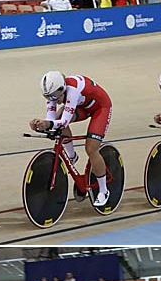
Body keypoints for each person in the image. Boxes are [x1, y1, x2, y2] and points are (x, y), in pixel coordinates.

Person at [30, 72, 113, 207]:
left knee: (91, 149)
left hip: (100, 108)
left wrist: (48, 124)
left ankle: (103, 191)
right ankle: (72, 156)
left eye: (56, 97)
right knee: (56, 124)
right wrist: (40, 125)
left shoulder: (72, 89)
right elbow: (51, 120)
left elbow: (64, 122)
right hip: (82, 106)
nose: (54, 101)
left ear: (62, 88)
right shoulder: (53, 91)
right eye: (49, 97)